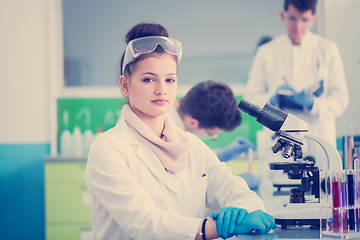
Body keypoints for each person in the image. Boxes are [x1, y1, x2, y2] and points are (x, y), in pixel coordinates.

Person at [86, 22, 277, 240]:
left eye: (170, 79)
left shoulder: (192, 145)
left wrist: (243, 213)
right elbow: (145, 223)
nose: (161, 89)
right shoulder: (109, 148)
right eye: (148, 79)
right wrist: (216, 228)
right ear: (125, 85)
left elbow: (237, 191)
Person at [245, 0, 349, 149]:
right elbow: (251, 98)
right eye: (293, 18)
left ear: (314, 19)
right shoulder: (266, 52)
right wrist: (272, 99)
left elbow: (340, 100)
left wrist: (313, 104)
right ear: (283, 16)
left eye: (305, 20)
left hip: (318, 138)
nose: (298, 26)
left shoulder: (328, 50)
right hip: (279, 139)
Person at [167, 80, 255, 162]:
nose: (210, 136)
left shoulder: (169, 112)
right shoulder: (168, 138)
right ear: (192, 122)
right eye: (211, 135)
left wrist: (218, 157)